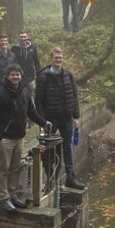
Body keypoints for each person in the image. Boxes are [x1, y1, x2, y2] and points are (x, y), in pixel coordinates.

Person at [0, 63, 50, 212]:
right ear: (7, 76)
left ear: (21, 76)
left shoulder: (24, 91)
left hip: (19, 137)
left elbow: (31, 111)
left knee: (15, 168)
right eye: (12, 75)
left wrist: (44, 122)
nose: (15, 77)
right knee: (4, 169)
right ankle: (4, 198)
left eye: (17, 74)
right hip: (5, 139)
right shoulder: (0, 94)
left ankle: (13, 196)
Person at [35, 47, 85, 190]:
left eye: (60, 58)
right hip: (51, 120)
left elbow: (74, 96)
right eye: (56, 58)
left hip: (66, 118)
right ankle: (50, 176)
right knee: (47, 148)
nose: (58, 60)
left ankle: (70, 176)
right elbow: (38, 101)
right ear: (51, 59)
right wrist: (43, 121)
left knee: (68, 147)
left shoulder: (68, 75)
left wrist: (76, 116)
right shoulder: (44, 77)